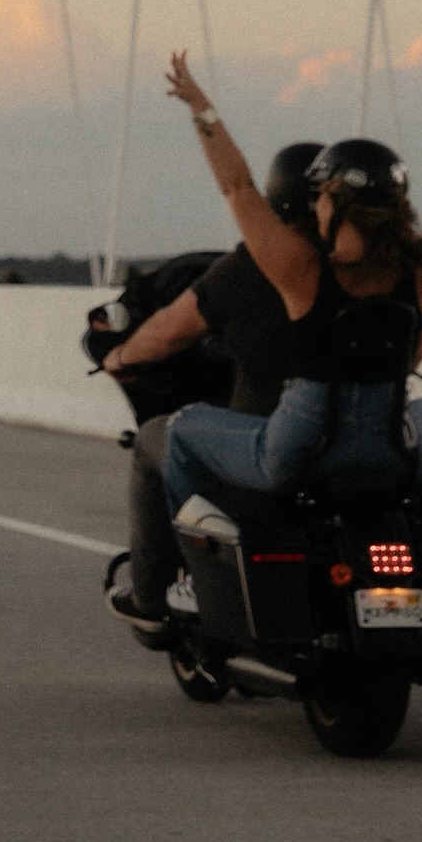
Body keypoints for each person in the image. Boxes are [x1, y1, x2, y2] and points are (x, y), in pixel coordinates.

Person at [159, 48, 422, 523]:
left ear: (336, 207)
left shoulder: (301, 270)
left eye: (321, 198)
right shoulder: (421, 270)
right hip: (387, 451)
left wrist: (200, 106)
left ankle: (188, 579)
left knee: (184, 428)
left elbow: (238, 187)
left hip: (297, 452)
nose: (315, 207)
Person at [103, 143, 323, 629]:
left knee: (157, 441)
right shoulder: (367, 271)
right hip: (356, 447)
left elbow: (167, 332)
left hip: (263, 442)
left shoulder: (253, 268)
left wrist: (118, 356)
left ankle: (158, 591)